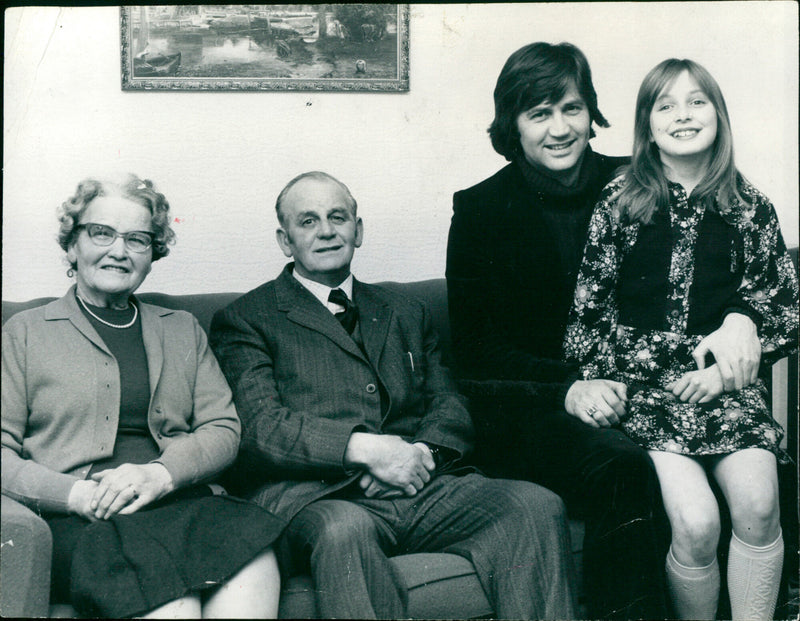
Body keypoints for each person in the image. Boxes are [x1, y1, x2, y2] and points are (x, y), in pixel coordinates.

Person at [446, 42, 765, 620]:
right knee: (623, 465)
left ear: (591, 111)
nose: (560, 128)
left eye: (571, 108)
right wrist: (566, 387)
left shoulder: (638, 180)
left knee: (758, 475)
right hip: (536, 410)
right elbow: (473, 349)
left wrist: (743, 316)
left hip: (639, 385)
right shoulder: (481, 210)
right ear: (511, 125)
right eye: (538, 114)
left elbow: (725, 253)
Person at [209, 171, 576, 620]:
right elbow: (260, 426)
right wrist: (365, 450)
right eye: (308, 221)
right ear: (285, 241)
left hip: (420, 486)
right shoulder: (248, 317)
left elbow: (448, 401)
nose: (326, 230)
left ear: (357, 231)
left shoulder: (403, 309)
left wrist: (418, 455)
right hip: (318, 498)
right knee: (345, 530)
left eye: (337, 217)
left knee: (534, 506)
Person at [563, 59, 799, 620]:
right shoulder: (620, 203)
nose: (683, 115)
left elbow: (783, 306)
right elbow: (588, 312)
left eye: (697, 101)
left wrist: (726, 368)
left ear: (718, 114)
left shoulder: (750, 207)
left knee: (761, 503)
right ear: (646, 125)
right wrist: (599, 378)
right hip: (644, 393)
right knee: (696, 523)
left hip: (724, 390)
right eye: (665, 105)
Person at [1, 175, 284, 619]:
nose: (119, 250)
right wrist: (75, 494)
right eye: (101, 233)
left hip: (181, 502)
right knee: (176, 608)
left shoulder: (181, 327)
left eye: (137, 239)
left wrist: (160, 475)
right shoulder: (24, 333)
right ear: (72, 245)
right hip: (87, 522)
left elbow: (224, 428)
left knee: (254, 563)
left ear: (153, 254)